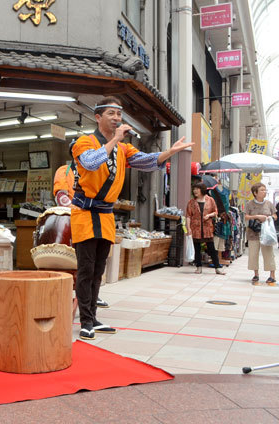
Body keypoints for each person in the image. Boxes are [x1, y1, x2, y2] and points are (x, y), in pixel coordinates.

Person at [70, 96, 193, 340]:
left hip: (105, 215)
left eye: (119, 114)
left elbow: (146, 162)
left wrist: (170, 152)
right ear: (98, 117)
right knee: (85, 269)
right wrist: (115, 139)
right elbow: (91, 164)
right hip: (84, 213)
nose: (117, 118)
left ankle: (93, 317)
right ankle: (85, 321)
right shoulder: (83, 142)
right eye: (111, 114)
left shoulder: (123, 148)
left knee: (98, 270)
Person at [53, 164, 108, 309]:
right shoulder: (65, 170)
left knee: (95, 264)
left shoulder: (97, 169)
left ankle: (91, 295)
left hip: (94, 219)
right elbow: (61, 196)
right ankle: (84, 298)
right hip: (74, 218)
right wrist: (79, 209)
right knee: (83, 263)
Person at [185, 182, 226, 276]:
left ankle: (217, 268)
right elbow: (188, 215)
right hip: (195, 227)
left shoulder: (210, 200)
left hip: (207, 227)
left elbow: (216, 212)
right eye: (194, 189)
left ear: (202, 190)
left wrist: (208, 215)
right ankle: (198, 267)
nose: (195, 191)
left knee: (211, 247)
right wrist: (188, 228)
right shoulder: (191, 202)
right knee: (197, 248)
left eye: (197, 189)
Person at [244, 183, 277, 285]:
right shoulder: (249, 204)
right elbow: (246, 217)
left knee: (269, 254)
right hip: (253, 233)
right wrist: (257, 216)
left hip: (266, 233)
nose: (264, 192)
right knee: (253, 254)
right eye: (262, 190)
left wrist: (269, 217)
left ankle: (272, 275)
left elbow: (275, 215)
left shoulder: (269, 204)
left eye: (265, 190)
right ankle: (256, 274)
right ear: (255, 192)